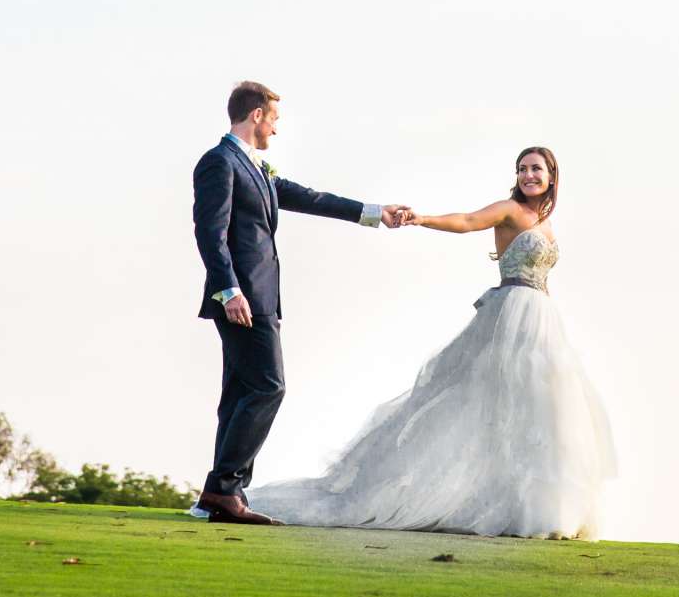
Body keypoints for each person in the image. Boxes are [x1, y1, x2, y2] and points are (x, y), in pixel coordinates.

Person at [246, 146, 616, 538]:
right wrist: (422, 218)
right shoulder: (509, 210)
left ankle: (541, 510)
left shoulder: (547, 223)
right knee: (489, 407)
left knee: (546, 416)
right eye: (522, 169)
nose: (528, 175)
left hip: (542, 319)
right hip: (509, 315)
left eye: (536, 169)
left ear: (551, 176)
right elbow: (468, 221)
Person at [189, 80, 411, 526]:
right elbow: (209, 232)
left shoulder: (258, 168)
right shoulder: (219, 163)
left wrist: (374, 212)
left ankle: (218, 496)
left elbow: (311, 198)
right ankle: (223, 490)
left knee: (238, 395)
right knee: (269, 386)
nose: (276, 129)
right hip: (241, 298)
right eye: (274, 120)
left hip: (260, 297)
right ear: (257, 116)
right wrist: (229, 290)